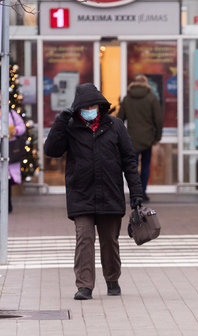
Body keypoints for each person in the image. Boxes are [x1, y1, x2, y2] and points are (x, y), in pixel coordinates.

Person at [44, 83, 144, 301]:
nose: (89, 110)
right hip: (81, 194)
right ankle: (84, 286)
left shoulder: (115, 126)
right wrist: (61, 120)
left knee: (110, 241)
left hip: (110, 193)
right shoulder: (70, 127)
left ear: (100, 106)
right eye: (84, 107)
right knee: (84, 240)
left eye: (93, 106)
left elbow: (129, 160)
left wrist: (136, 193)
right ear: (78, 108)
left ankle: (112, 278)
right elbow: (51, 150)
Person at [117, 74, 163, 202]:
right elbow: (158, 120)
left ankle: (134, 193)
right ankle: (143, 192)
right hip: (147, 139)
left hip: (131, 139)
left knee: (132, 167)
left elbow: (120, 119)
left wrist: (119, 136)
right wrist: (157, 137)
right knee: (145, 166)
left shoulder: (127, 99)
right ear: (146, 83)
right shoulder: (151, 98)